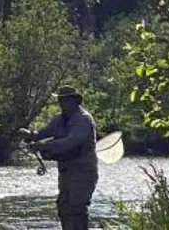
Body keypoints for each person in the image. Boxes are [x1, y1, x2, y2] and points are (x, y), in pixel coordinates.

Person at [18, 85, 98, 230]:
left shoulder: (83, 120)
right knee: (64, 208)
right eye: (60, 100)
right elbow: (42, 133)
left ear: (75, 101)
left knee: (77, 209)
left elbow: (69, 143)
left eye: (65, 100)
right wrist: (30, 135)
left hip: (83, 172)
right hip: (66, 172)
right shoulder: (59, 119)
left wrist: (42, 146)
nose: (62, 103)